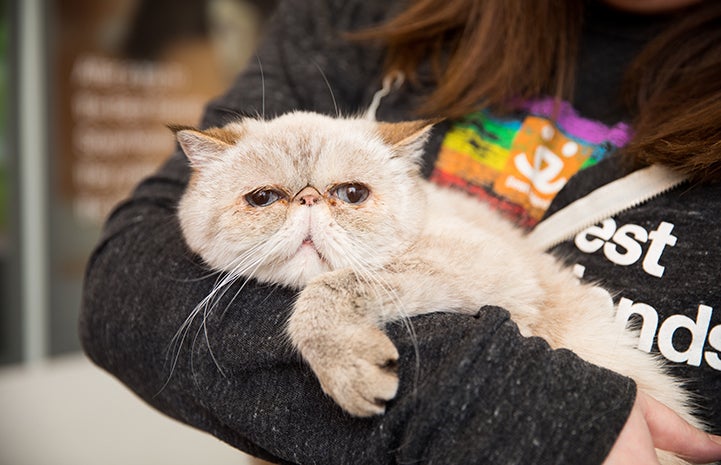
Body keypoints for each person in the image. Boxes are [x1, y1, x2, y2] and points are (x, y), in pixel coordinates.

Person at [80, 0, 721, 463]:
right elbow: (125, 281)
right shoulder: (359, 15)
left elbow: (504, 278)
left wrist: (337, 304)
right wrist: (514, 407)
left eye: (350, 194)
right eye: (266, 197)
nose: (311, 213)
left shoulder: (427, 214)